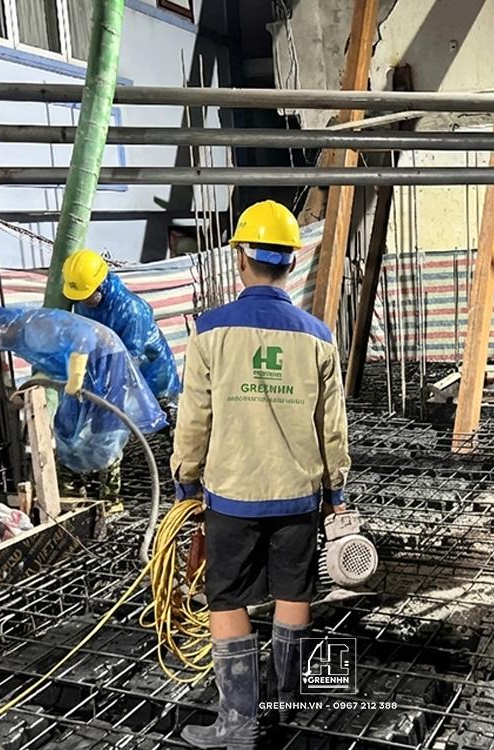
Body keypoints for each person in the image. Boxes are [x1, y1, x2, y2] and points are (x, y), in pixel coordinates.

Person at [170, 200, 351, 750]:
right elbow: (332, 427)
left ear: (241, 258)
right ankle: (287, 703)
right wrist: (335, 491)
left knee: (227, 599)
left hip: (233, 496)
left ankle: (239, 723)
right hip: (298, 496)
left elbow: (194, 418)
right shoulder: (318, 335)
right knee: (295, 590)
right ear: (291, 262)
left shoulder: (210, 331)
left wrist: (186, 482)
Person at [59, 249, 181, 504]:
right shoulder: (82, 301)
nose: (84, 301)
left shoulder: (131, 309)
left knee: (170, 429)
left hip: (151, 376)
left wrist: (108, 396)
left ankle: (182, 483)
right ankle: (106, 493)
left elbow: (130, 358)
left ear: (101, 284)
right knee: (101, 426)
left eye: (87, 295)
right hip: (106, 370)